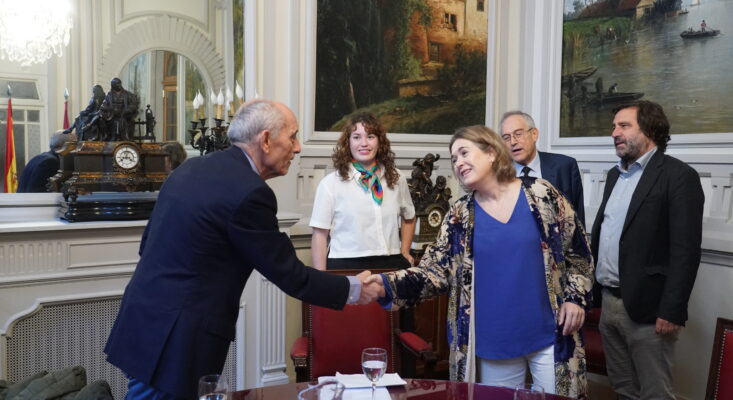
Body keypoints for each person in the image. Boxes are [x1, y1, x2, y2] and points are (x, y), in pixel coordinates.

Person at [104, 100, 382, 400]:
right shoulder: (249, 192)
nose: (298, 147)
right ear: (265, 140)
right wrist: (354, 287)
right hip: (177, 339)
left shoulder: (192, 167)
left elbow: (148, 245)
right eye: (292, 137)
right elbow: (290, 275)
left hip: (142, 320)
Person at [368, 125, 594, 398]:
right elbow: (434, 273)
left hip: (550, 334)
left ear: (490, 152)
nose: (458, 163)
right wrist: (384, 284)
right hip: (492, 341)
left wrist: (575, 297)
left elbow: (579, 252)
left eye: (464, 153)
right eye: (454, 159)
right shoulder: (459, 215)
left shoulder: (542, 194)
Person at [591, 100, 704, 399]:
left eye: (624, 126)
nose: (615, 132)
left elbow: (686, 250)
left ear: (650, 130)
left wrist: (672, 309)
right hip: (609, 302)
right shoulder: (616, 175)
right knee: (623, 389)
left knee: (655, 393)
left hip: (649, 309)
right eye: (614, 126)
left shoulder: (679, 176)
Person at [309, 113, 416, 270]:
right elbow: (319, 234)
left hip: (391, 263)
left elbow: (410, 218)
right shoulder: (330, 184)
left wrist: (404, 251)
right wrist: (321, 278)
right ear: (348, 142)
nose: (364, 143)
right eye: (357, 137)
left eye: (370, 136)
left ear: (380, 141)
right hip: (345, 265)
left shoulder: (397, 178)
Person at [499, 111, 586, 225]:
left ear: (534, 134)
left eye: (518, 134)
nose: (513, 142)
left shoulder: (565, 166)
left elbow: (577, 219)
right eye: (506, 138)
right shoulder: (497, 174)